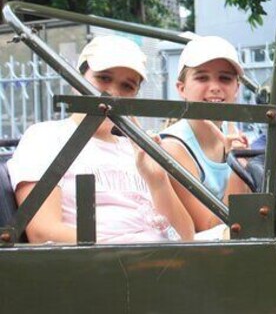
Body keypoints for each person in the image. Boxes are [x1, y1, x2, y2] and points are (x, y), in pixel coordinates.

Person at [7, 36, 194, 243]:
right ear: (76, 81)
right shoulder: (45, 136)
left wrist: (157, 180)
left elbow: (186, 237)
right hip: (102, 266)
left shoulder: (137, 150)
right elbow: (43, 232)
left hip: (163, 263)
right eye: (103, 78)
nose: (113, 92)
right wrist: (131, 251)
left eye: (127, 86)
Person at [160, 36, 251, 231]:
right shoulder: (173, 147)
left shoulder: (233, 132)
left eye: (225, 78)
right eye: (202, 77)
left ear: (237, 88)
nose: (215, 87)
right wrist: (239, 168)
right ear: (181, 88)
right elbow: (210, 227)